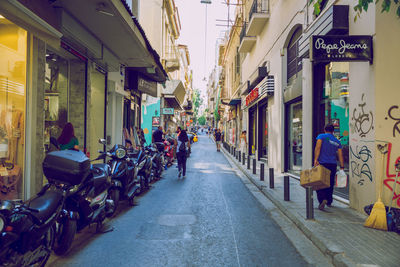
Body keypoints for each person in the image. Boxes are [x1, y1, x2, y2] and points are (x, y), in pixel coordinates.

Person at [314, 124, 344, 210]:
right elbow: (340, 155)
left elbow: (318, 147)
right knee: (330, 183)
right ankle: (329, 200)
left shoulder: (321, 136)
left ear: (324, 129)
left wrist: (316, 159)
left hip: (322, 163)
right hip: (332, 164)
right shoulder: (337, 141)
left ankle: (322, 199)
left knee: (319, 182)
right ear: (333, 131)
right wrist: (342, 166)